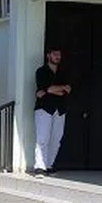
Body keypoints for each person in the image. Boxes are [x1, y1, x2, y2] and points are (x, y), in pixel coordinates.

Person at [33, 47, 70, 176]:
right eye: (55, 54)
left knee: (56, 139)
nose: (57, 57)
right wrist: (56, 89)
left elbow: (67, 89)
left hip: (60, 109)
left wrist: (51, 90)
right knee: (42, 138)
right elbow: (47, 89)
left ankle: (49, 165)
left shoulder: (63, 72)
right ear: (48, 56)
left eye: (59, 54)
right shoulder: (41, 71)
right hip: (44, 108)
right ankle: (40, 166)